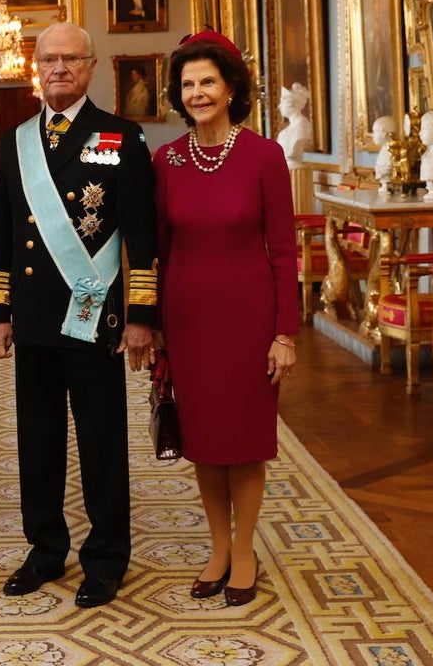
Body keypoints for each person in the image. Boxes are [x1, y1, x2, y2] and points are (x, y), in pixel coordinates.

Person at [0, 22, 157, 609]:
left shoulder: (118, 137)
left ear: (92, 67)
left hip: (94, 315)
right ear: (36, 67)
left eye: (71, 59)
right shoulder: (15, 140)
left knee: (101, 441)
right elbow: (4, 232)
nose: (59, 68)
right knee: (37, 440)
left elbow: (141, 235)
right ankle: (45, 549)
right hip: (33, 318)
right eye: (49, 59)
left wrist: (141, 314)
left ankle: (106, 557)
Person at [153, 30, 298, 607]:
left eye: (207, 81)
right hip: (188, 316)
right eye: (187, 84)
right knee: (205, 441)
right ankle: (218, 547)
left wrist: (284, 332)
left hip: (249, 315)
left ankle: (245, 551)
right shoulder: (164, 161)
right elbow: (157, 253)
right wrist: (157, 329)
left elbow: (285, 252)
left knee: (244, 440)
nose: (197, 93)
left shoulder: (265, 156)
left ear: (232, 86)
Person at [275, 82, 313, 170]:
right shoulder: (284, 132)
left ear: (291, 104)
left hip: (295, 170)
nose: (279, 106)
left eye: (282, 103)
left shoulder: (303, 126)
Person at [372, 115, 398, 193]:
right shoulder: (383, 152)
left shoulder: (393, 153)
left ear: (384, 133)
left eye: (374, 132)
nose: (373, 135)